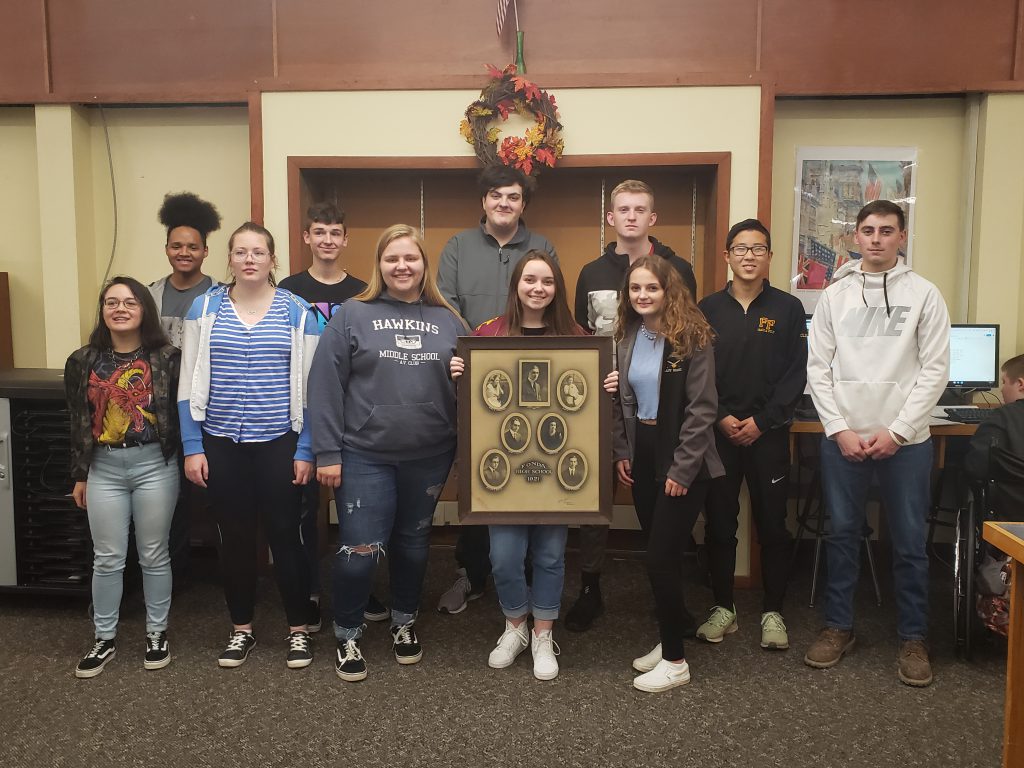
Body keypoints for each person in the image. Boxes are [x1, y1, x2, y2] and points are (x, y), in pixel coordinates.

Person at [308, 224, 466, 683]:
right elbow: (324, 386)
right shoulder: (352, 314)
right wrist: (326, 453)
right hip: (363, 454)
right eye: (392, 258)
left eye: (410, 258)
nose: (402, 266)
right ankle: (348, 632)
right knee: (359, 550)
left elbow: (478, 390)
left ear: (424, 265)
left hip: (430, 454)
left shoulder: (450, 320)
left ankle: (403, 622)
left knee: (414, 547)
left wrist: (463, 375)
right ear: (379, 264)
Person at [805, 200, 950, 687]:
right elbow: (818, 369)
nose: (876, 239)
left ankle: (913, 637)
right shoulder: (834, 296)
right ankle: (838, 627)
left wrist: (899, 431)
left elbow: (934, 370)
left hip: (906, 443)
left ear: (902, 237)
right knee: (841, 536)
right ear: (855, 237)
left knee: (909, 543)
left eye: (886, 231)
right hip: (843, 438)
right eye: (867, 230)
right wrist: (839, 429)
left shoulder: (925, 295)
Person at [178, 222, 320, 670]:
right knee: (234, 539)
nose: (250, 260)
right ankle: (241, 629)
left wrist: (307, 449)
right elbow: (187, 382)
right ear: (230, 259)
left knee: (286, 536)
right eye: (241, 252)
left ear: (273, 260)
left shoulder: (299, 312)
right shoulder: (204, 309)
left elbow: (315, 390)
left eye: (259, 252)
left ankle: (298, 629)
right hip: (221, 441)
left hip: (282, 440)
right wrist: (191, 446)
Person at [567, 179, 698, 633]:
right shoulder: (590, 272)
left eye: (639, 209)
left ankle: (667, 601)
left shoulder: (676, 268)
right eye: (622, 209)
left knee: (663, 513)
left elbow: (684, 341)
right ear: (611, 217)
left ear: (651, 217)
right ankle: (590, 588)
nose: (630, 216)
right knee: (594, 496)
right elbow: (581, 340)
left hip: (655, 409)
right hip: (599, 404)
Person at [450, 250, 587, 680]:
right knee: (504, 557)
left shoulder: (577, 336)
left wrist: (605, 380)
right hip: (502, 468)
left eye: (547, 281)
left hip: (555, 465)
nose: (538, 288)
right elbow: (475, 407)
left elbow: (584, 403)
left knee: (550, 554)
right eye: (530, 280)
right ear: (516, 285)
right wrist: (461, 371)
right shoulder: (488, 333)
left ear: (556, 288)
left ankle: (543, 633)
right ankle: (515, 626)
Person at [436, 164, 557, 615]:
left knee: (529, 472)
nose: (504, 203)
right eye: (496, 196)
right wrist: (480, 355)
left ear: (523, 204)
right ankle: (470, 574)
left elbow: (551, 300)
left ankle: (525, 581)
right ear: (483, 201)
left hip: (534, 384)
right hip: (477, 380)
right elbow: (445, 308)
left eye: (513, 197)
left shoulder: (541, 246)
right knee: (480, 475)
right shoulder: (458, 246)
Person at [612, 254, 723, 692]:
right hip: (643, 451)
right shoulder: (627, 337)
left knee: (660, 558)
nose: (642, 295)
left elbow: (702, 410)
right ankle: (668, 636)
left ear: (667, 291)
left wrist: (682, 467)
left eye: (651, 288)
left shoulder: (693, 337)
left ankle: (676, 661)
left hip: (684, 459)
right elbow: (624, 401)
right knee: (663, 557)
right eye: (635, 289)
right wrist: (623, 449)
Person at [697, 219, 807, 650]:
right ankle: (723, 607)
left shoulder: (788, 308)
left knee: (774, 524)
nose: (748, 256)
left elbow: (797, 373)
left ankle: (773, 611)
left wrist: (763, 421)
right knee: (720, 523)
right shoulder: (707, 308)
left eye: (758, 249)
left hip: (770, 433)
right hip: (718, 434)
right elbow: (698, 373)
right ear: (727, 256)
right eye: (740, 249)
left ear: (769, 257)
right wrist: (721, 415)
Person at [65, 277, 181, 678]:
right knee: (108, 558)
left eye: (130, 302)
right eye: (111, 302)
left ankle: (156, 633)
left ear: (144, 309)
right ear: (102, 311)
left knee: (153, 552)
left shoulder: (167, 357)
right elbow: (79, 422)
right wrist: (80, 475)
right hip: (104, 468)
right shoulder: (83, 360)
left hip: (155, 466)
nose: (120, 309)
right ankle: (103, 638)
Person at [278, 203, 383, 631]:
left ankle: (362, 587)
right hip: (297, 411)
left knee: (357, 510)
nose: (326, 240)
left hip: (350, 412)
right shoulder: (287, 289)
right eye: (318, 232)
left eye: (335, 232)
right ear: (306, 237)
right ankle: (310, 591)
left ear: (345, 240)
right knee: (304, 510)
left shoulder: (361, 292)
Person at [149, 192, 222, 589]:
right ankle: (171, 575)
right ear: (166, 249)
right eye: (177, 246)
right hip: (157, 414)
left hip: (209, 411)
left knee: (213, 492)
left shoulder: (221, 296)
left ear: (205, 251)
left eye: (192, 246)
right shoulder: (149, 295)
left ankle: (222, 573)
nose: (184, 252)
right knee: (169, 498)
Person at [965, 354, 1024, 514]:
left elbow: (976, 469)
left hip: (1008, 524)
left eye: (1004, 382)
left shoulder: (1000, 417)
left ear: (1020, 384)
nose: (1001, 389)